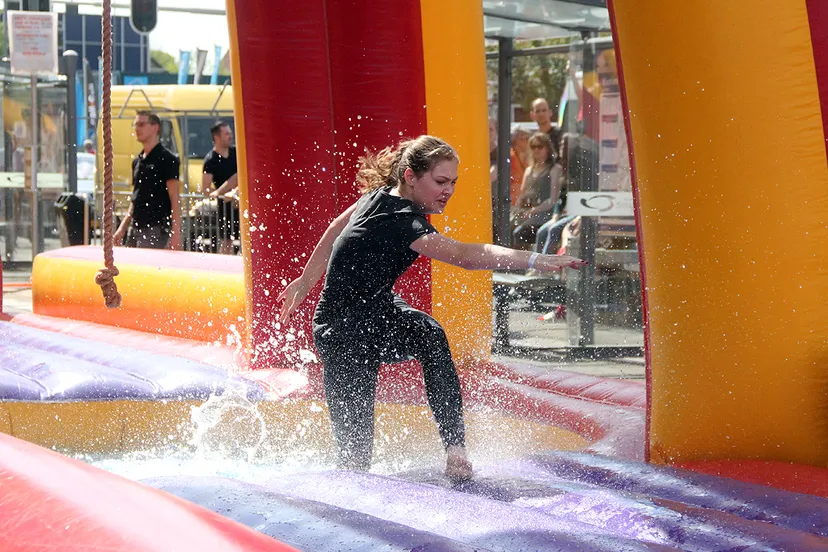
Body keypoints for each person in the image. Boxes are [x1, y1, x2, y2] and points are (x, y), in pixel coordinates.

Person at [277, 135, 586, 480]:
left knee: (430, 335)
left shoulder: (380, 196)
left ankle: (455, 452)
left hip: (378, 310)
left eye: (453, 182)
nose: (448, 190)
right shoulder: (399, 220)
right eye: (440, 181)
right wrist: (533, 258)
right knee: (355, 456)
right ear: (410, 176)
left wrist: (306, 281)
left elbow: (337, 227)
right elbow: (466, 256)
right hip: (342, 331)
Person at [113, 111, 182, 250]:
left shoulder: (167, 159)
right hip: (136, 226)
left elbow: (175, 197)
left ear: (155, 127)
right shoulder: (137, 161)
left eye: (141, 124)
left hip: (156, 227)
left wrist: (176, 233)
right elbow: (136, 197)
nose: (137, 128)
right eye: (135, 124)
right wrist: (122, 227)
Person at [511, 132, 563, 249]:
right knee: (507, 227)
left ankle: (525, 264)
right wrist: (518, 209)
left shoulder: (554, 169)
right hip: (527, 214)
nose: (536, 150)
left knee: (519, 233)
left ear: (547, 148)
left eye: (540, 147)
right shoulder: (529, 170)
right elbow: (522, 194)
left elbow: (552, 200)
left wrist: (534, 211)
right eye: (533, 147)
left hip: (544, 214)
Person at [201, 121, 239, 254]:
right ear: (217, 137)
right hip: (225, 206)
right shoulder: (210, 160)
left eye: (230, 133)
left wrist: (222, 191)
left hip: (240, 201)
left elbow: (240, 177)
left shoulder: (236, 154)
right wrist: (218, 195)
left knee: (246, 238)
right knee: (226, 240)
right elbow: (205, 188)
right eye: (227, 133)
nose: (231, 136)